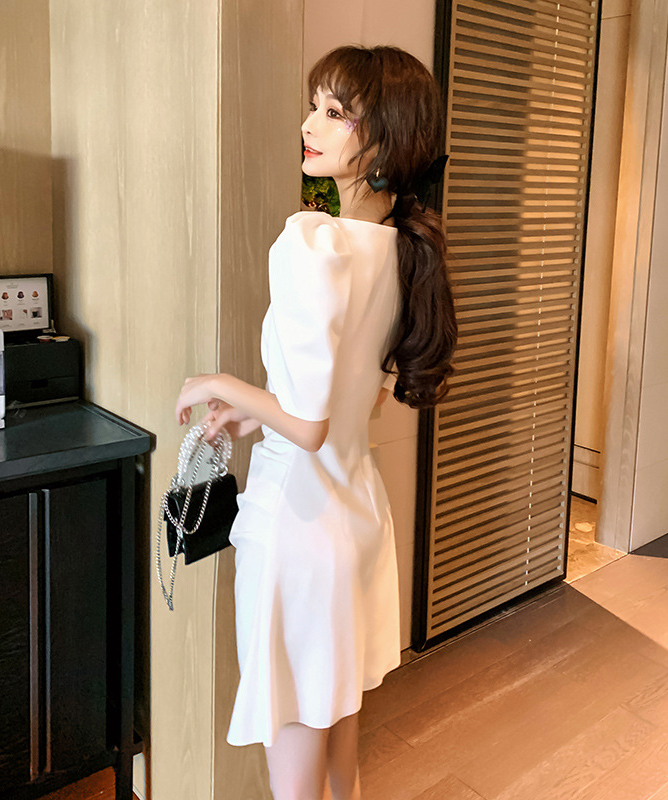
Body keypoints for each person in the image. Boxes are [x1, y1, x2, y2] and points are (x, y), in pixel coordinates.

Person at [174, 44, 457, 800]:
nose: (309, 124)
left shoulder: (313, 242)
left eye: (335, 113)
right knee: (341, 753)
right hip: (356, 522)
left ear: (384, 142)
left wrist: (220, 384)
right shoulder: (400, 250)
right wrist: (250, 412)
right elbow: (352, 401)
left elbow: (306, 426)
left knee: (297, 774)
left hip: (296, 532)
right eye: (315, 106)